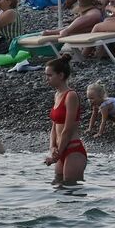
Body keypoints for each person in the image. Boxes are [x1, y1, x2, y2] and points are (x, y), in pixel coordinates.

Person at [44, 57, 88, 185]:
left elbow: (68, 129)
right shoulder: (57, 94)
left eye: (49, 75)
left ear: (61, 75)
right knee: (58, 187)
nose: (47, 79)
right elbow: (54, 125)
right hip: (60, 150)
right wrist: (52, 147)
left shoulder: (71, 95)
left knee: (71, 188)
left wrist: (55, 156)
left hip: (72, 150)